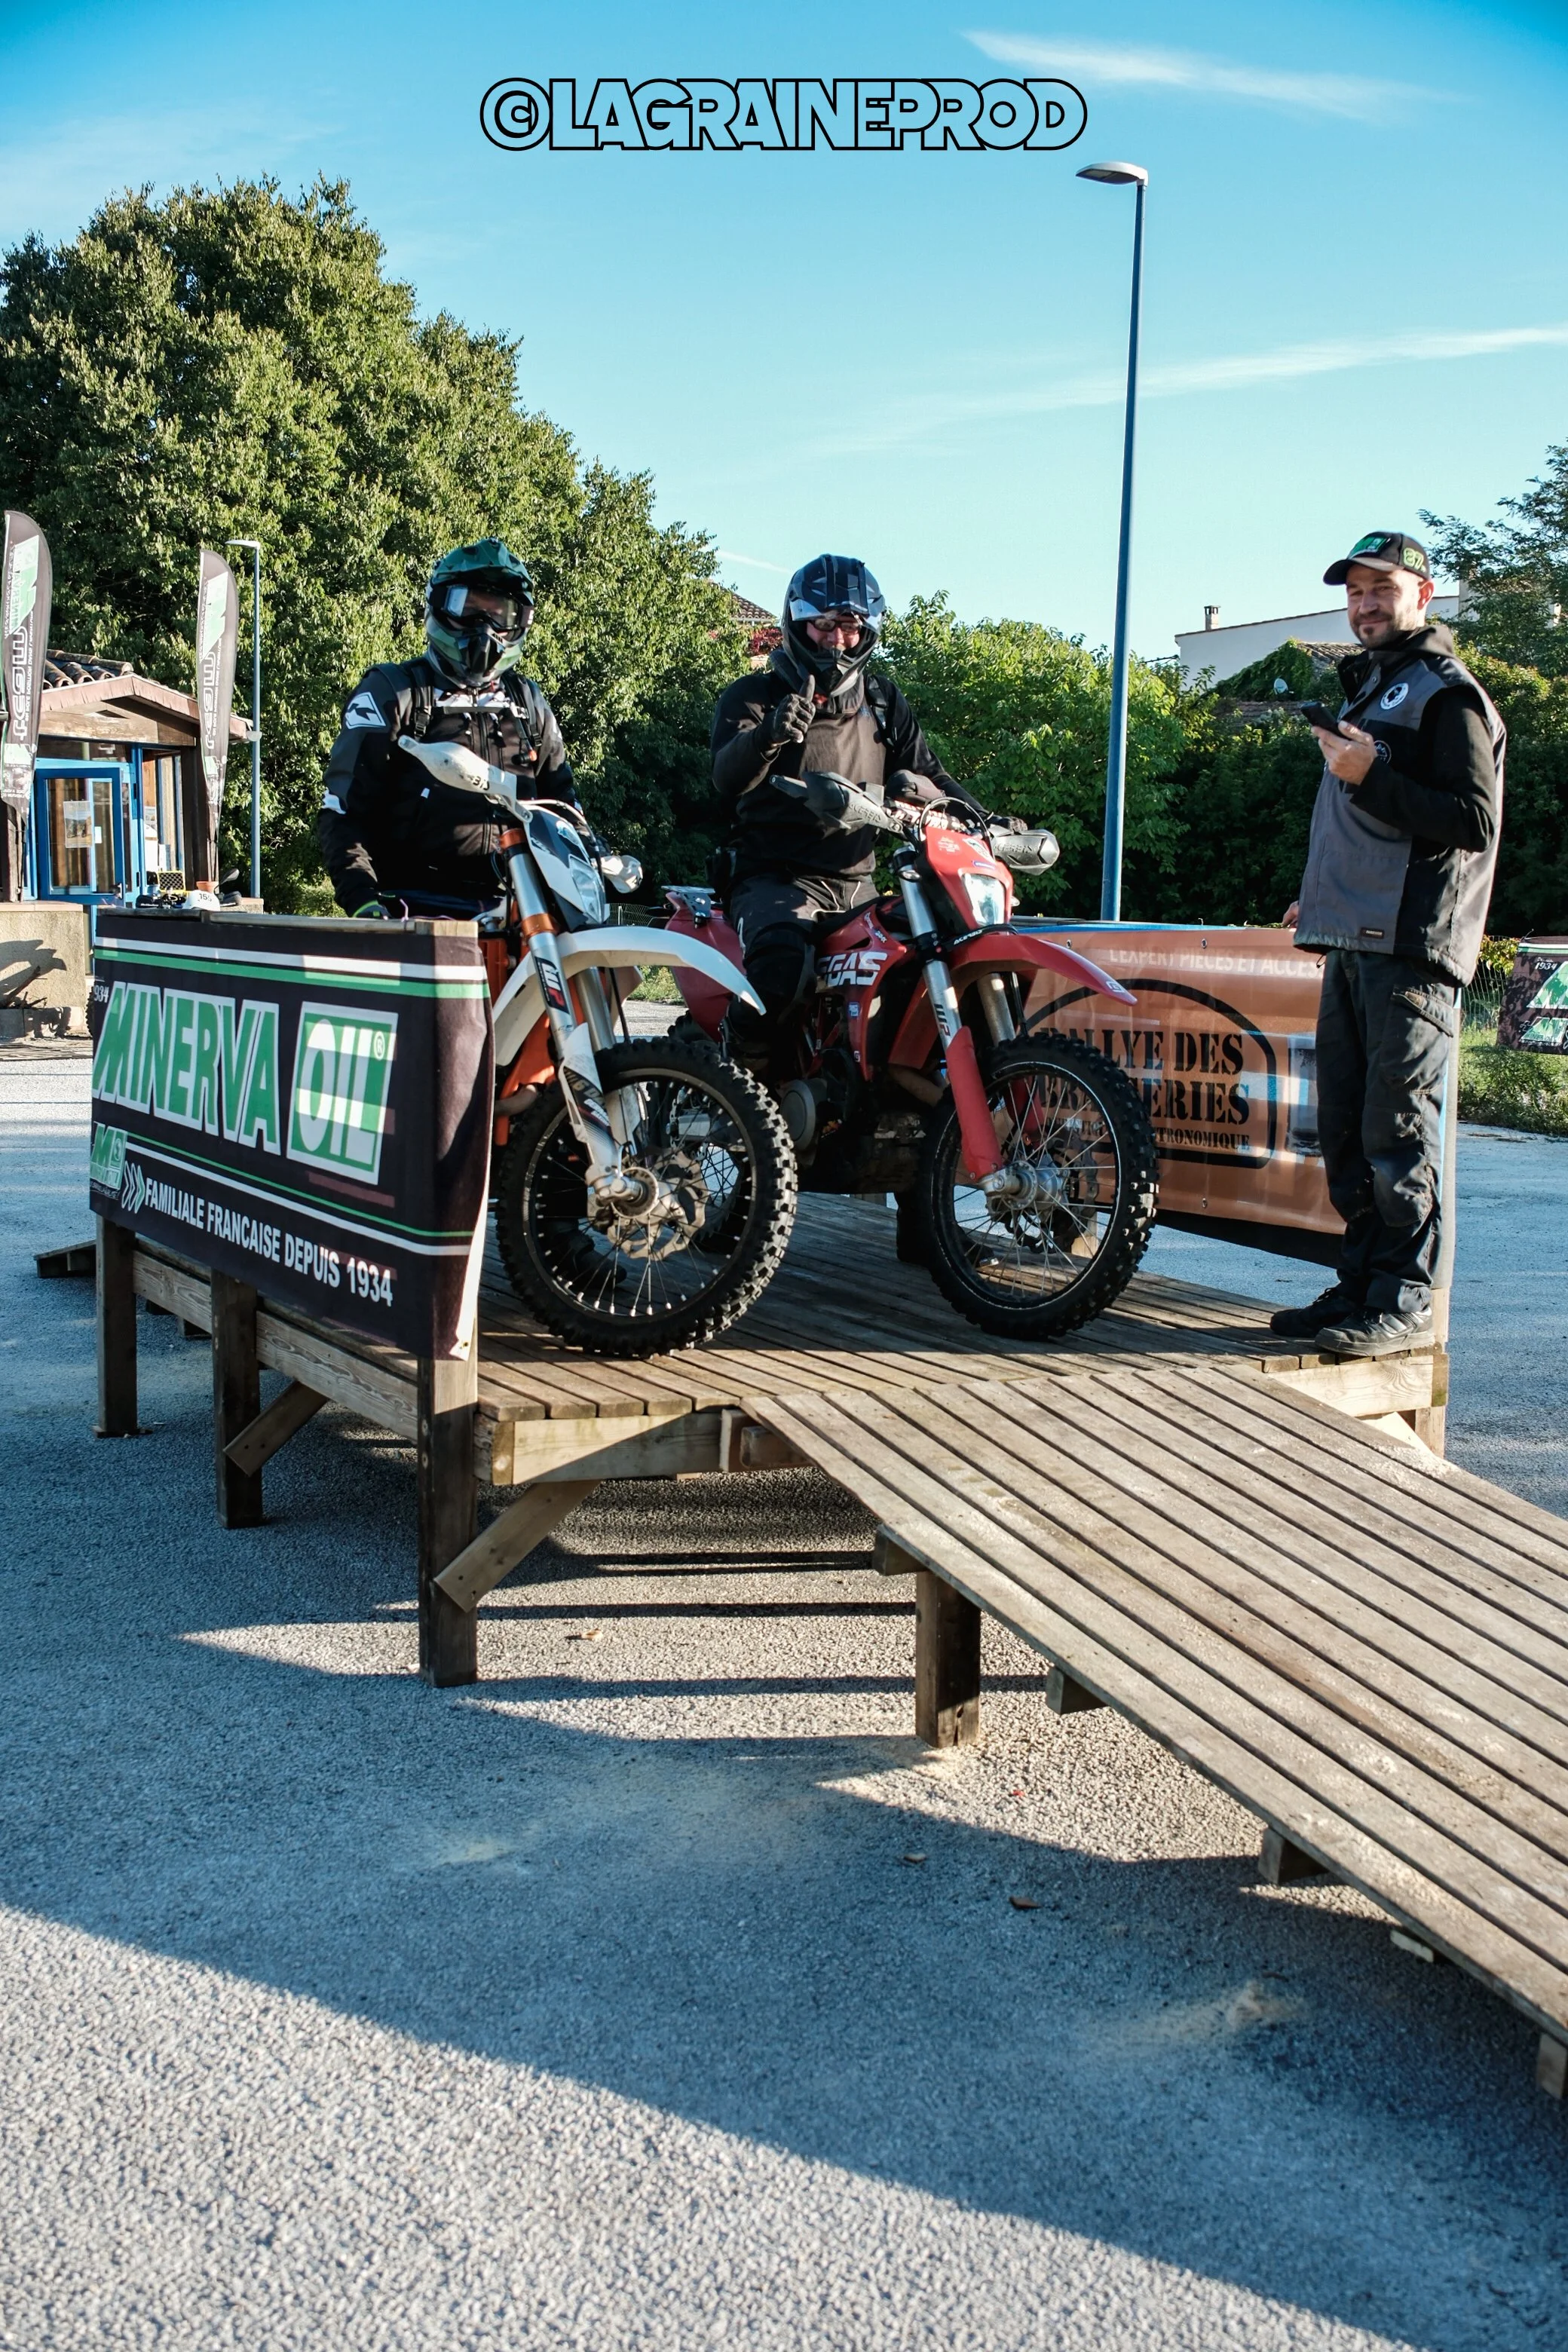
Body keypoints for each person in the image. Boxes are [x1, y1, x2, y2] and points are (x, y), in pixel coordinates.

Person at [1272, 530, 1504, 1357]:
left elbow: (1470, 821)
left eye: (1382, 588)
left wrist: (1372, 776)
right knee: (1344, 1133)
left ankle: (1404, 1304)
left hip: (1410, 949)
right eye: (1355, 590)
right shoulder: (1377, 688)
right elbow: (1370, 825)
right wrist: (1320, 893)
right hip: (1351, 939)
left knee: (1397, 1133)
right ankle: (1359, 1286)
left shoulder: (1445, 693)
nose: (1365, 602)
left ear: (1422, 595)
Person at [710, 553, 975, 1072]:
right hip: (773, 879)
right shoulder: (756, 694)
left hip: (858, 884)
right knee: (782, 969)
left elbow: (931, 775)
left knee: (923, 963)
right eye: (824, 625)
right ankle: (728, 1077)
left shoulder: (882, 700)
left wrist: (986, 822)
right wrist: (771, 733)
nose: (837, 639)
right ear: (797, 624)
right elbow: (726, 779)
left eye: (849, 627)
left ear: (868, 630)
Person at [319, 540, 577, 916]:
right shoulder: (395, 692)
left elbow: (565, 809)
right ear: (440, 606)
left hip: (518, 914)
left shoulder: (526, 703)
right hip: (414, 910)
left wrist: (594, 862)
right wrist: (362, 900)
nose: (484, 628)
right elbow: (343, 810)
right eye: (468, 608)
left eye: (498, 615)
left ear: (519, 622)